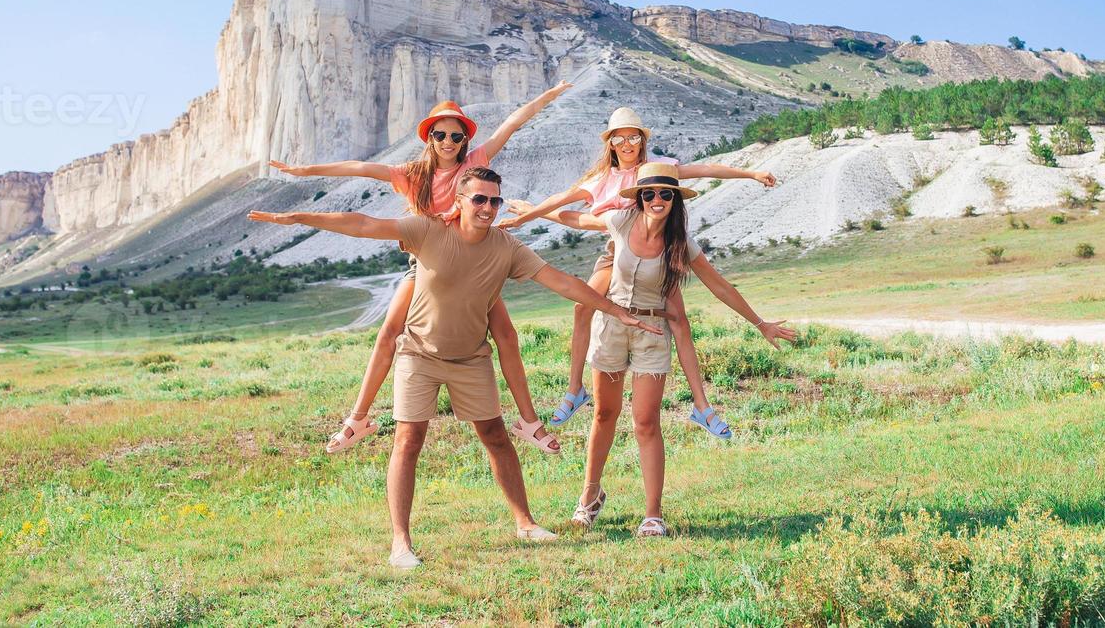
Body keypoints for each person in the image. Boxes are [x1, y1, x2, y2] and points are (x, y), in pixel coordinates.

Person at [249, 167, 662, 567]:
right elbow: (361, 224)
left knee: (496, 437)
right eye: (479, 199)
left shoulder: (507, 247)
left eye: (495, 200)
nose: (488, 207)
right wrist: (298, 217)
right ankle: (400, 542)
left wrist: (613, 310)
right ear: (461, 200)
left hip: (471, 359)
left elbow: (559, 280)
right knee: (408, 441)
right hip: (419, 355)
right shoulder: (427, 230)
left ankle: (525, 523)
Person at [269, 84, 570, 455]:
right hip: (430, 267)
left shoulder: (475, 164)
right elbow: (361, 168)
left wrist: (547, 96)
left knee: (507, 337)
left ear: (464, 140)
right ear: (430, 138)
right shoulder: (413, 173)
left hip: (474, 267)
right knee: (390, 332)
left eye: (455, 136)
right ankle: (357, 419)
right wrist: (305, 171)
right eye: (441, 135)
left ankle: (529, 423)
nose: (448, 142)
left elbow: (510, 125)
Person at [547, 162, 796, 537]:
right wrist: (530, 211)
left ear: (676, 199)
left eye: (666, 193)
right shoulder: (619, 222)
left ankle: (653, 514)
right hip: (613, 325)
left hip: (652, 332)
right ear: (640, 197)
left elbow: (721, 287)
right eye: (649, 193)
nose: (657, 199)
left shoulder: (682, 243)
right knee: (604, 414)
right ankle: (590, 496)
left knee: (646, 422)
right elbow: (575, 219)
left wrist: (760, 323)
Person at [499, 106, 776, 439]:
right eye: (620, 137)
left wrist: (752, 174)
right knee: (581, 306)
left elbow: (704, 168)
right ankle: (575, 391)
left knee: (679, 322)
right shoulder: (603, 180)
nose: (628, 143)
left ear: (642, 140)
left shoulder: (655, 170)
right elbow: (569, 205)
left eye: (634, 136)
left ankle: (702, 407)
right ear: (611, 143)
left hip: (661, 251)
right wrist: (527, 216)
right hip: (617, 254)